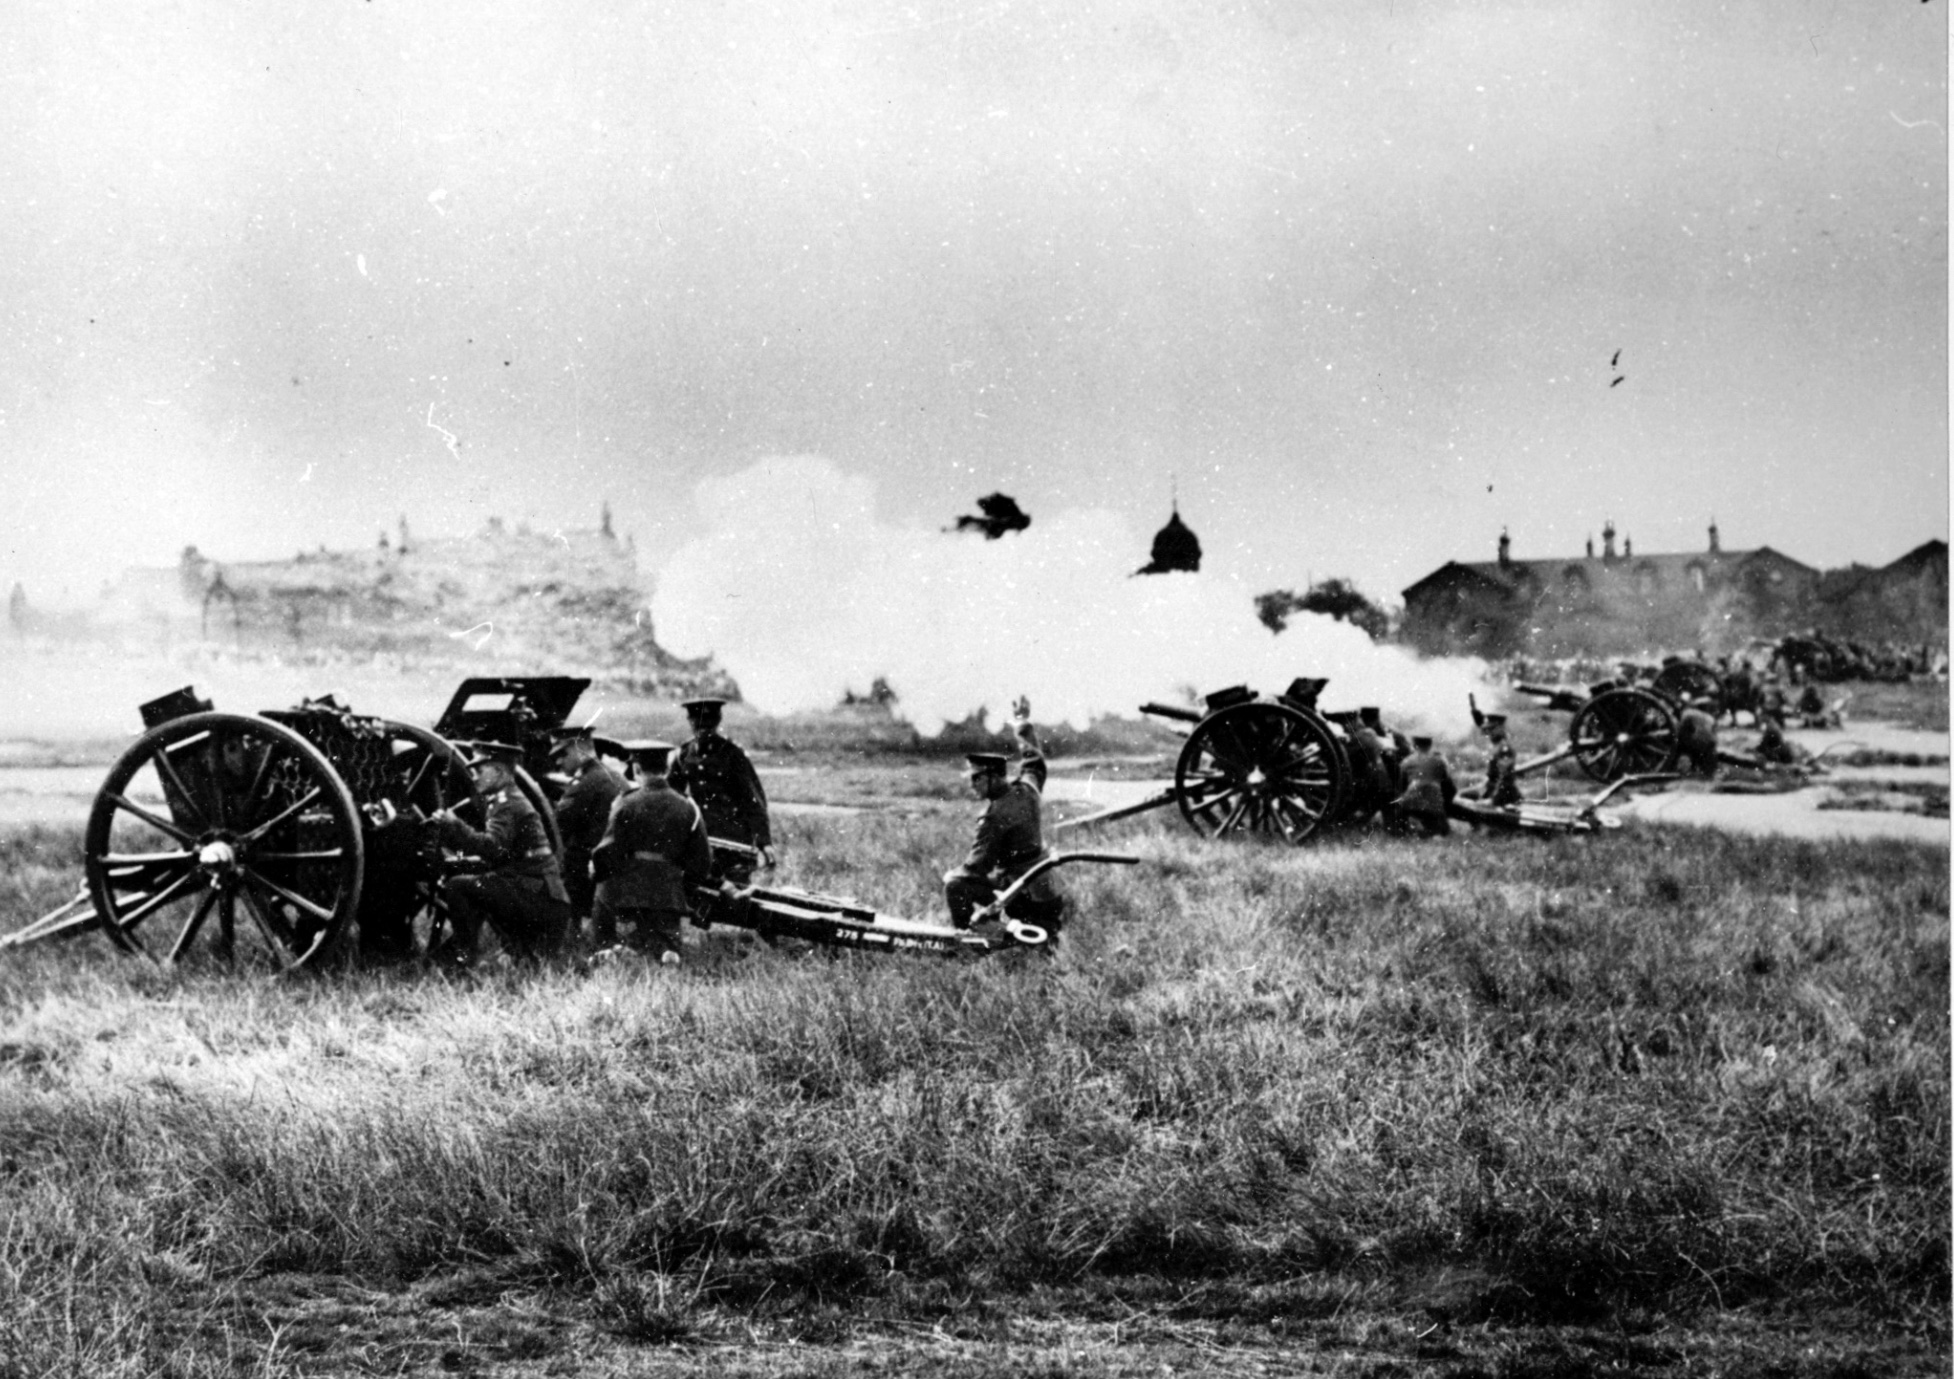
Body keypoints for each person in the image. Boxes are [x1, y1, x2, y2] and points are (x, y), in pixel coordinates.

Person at [430, 740, 573, 966]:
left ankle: (464, 958)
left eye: (479, 770)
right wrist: (458, 859)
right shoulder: (505, 799)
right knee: (475, 881)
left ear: (497, 772)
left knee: (459, 886)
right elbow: (500, 855)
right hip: (542, 893)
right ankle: (506, 949)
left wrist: (455, 825)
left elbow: (492, 847)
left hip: (537, 896)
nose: (474, 777)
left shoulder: (507, 803)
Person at [590, 740, 714, 964]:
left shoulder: (625, 802)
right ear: (666, 770)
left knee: (602, 893)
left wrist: (597, 870)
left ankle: (607, 946)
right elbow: (702, 859)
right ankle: (668, 951)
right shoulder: (687, 805)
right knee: (666, 934)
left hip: (628, 891)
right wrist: (683, 887)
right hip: (668, 891)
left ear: (636, 770)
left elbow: (608, 849)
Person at [943, 696, 1057, 931]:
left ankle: (965, 942)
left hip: (1022, 897)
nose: (972, 785)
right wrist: (1022, 722)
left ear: (993, 777)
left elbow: (976, 868)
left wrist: (952, 874)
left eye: (976, 778)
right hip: (1047, 892)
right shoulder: (1028, 788)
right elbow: (1034, 760)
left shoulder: (993, 817)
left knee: (954, 885)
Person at [671, 697, 774, 880]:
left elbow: (753, 800)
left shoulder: (732, 754)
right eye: (698, 725)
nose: (703, 730)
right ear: (690, 722)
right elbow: (671, 794)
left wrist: (764, 842)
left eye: (708, 725)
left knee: (734, 894)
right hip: (700, 837)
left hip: (732, 839)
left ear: (717, 722)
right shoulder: (684, 753)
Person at [547, 726, 626, 933]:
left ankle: (569, 935)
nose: (557, 762)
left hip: (590, 869)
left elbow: (557, 830)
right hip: (619, 864)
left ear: (579, 750)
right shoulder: (615, 777)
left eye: (562, 754)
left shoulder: (584, 785)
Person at [1389, 735, 1458, 836]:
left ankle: (1402, 830)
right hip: (1433, 802)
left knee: (1399, 818)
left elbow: (1400, 786)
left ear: (1414, 745)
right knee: (1443, 831)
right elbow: (1448, 786)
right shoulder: (1439, 760)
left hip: (1411, 800)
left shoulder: (1406, 761)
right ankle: (1430, 829)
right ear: (1430, 745)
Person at [1478, 713, 1522, 808]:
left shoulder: (1504, 748)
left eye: (1492, 729)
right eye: (1488, 730)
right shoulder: (1496, 746)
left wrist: (1494, 800)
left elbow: (1505, 778)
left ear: (1501, 728)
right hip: (1492, 790)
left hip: (1503, 795)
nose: (1489, 733)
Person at [1676, 704, 1721, 777]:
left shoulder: (1687, 714)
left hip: (1697, 740)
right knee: (1706, 759)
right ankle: (1707, 773)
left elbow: (1682, 731)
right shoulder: (1708, 717)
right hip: (1708, 742)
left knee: (1682, 748)